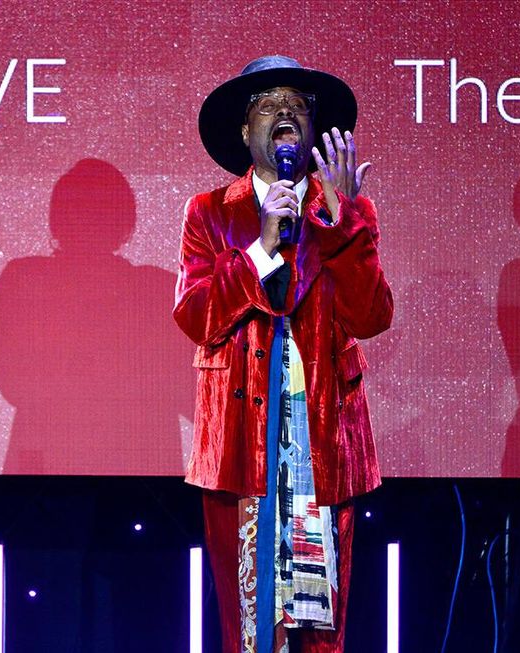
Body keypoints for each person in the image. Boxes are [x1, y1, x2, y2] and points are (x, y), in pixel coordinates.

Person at [173, 55, 393, 652]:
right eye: (269, 105)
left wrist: (343, 225)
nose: (285, 112)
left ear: (313, 128)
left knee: (321, 631)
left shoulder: (342, 207)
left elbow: (372, 317)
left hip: (323, 443)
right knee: (248, 629)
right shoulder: (209, 213)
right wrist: (262, 247)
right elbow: (194, 316)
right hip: (239, 444)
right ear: (247, 130)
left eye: (297, 104)